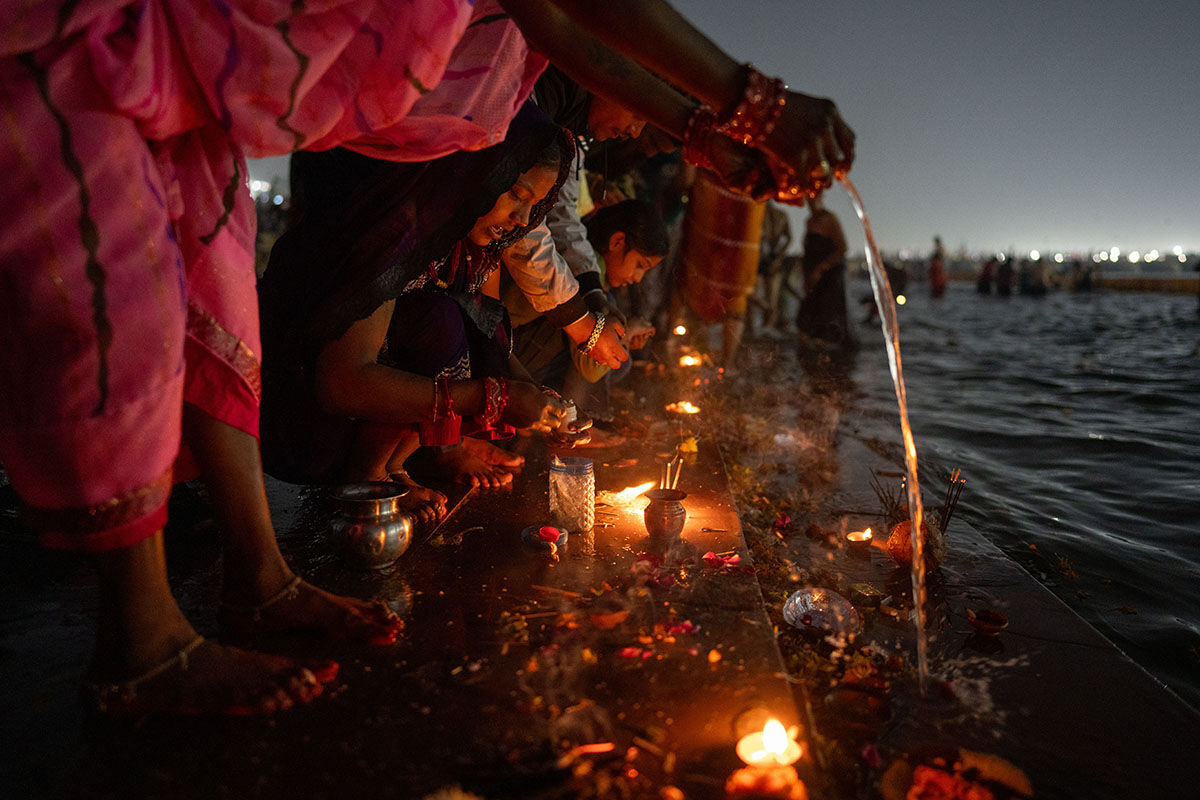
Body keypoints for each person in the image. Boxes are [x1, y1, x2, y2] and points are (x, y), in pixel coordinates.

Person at [1, 0, 856, 718]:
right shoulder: (424, 195)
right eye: (516, 202)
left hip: (216, 87)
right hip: (108, 47)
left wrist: (703, 130)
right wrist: (748, 104)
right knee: (125, 315)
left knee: (214, 304)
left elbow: (558, 29)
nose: (518, 220)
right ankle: (140, 638)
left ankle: (260, 578)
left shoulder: (491, 167)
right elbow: (562, 18)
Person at [258, 105, 577, 513]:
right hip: (299, 425)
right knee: (437, 320)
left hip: (348, 418)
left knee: (472, 318)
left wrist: (542, 399)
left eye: (536, 206)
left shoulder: (471, 247)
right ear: (477, 170)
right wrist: (494, 398)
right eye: (516, 194)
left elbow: (485, 337)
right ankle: (369, 475)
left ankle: (396, 464)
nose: (522, 219)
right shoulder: (397, 226)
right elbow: (341, 385)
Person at [506, 199, 668, 424]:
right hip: (505, 351)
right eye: (640, 265)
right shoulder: (587, 273)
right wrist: (625, 332)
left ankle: (569, 418)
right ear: (617, 242)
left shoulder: (597, 271)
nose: (638, 278)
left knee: (620, 357)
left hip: (518, 350)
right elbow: (590, 368)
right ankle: (573, 421)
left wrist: (622, 337)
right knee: (602, 323)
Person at [795, 192, 855, 350]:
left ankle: (827, 352)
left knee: (826, 313)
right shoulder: (809, 221)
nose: (811, 201)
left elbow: (842, 247)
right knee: (807, 313)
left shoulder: (830, 219)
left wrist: (821, 268)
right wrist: (808, 274)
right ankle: (809, 350)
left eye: (814, 198)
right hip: (812, 273)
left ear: (821, 198)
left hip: (829, 275)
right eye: (808, 198)